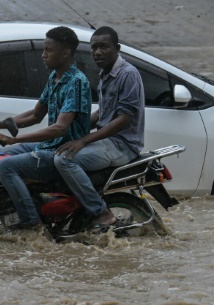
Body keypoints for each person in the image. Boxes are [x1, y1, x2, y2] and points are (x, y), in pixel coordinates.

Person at [0, 26, 92, 230]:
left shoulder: (77, 82)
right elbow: (36, 115)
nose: (43, 55)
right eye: (44, 50)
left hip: (60, 151)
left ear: (66, 53)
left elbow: (60, 128)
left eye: (48, 50)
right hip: (49, 145)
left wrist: (15, 138)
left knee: (5, 167)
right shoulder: (54, 78)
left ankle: (31, 223)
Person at [54, 26, 146, 232]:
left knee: (63, 159)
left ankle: (100, 213)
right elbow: (102, 114)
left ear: (117, 48)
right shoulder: (106, 74)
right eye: (94, 48)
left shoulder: (128, 74)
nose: (97, 52)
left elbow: (123, 119)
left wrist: (83, 140)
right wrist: (73, 129)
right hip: (107, 142)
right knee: (56, 149)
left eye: (104, 47)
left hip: (123, 145)